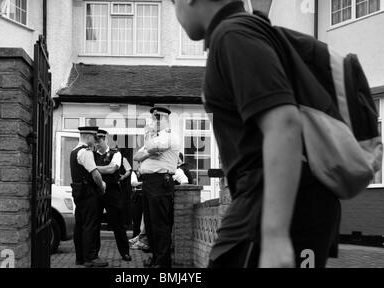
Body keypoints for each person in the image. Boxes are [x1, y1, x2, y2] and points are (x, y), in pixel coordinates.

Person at [172, 0, 340, 268]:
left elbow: (283, 124)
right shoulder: (245, 32)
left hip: (268, 207)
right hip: (296, 204)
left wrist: (275, 237)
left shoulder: (233, 35)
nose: (175, 11)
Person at [134, 107, 180, 268]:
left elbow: (153, 149)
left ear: (167, 119)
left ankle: (162, 263)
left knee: (160, 224)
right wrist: (148, 152)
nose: (155, 121)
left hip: (161, 182)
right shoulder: (154, 138)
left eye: (159, 118)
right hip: (149, 183)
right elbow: (136, 156)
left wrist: (148, 149)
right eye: (154, 118)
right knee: (150, 224)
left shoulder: (169, 136)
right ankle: (156, 258)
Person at [70, 126, 108, 268]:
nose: (96, 141)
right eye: (94, 137)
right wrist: (102, 186)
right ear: (88, 137)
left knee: (80, 226)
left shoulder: (74, 151)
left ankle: (80, 258)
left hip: (79, 193)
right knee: (90, 226)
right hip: (88, 193)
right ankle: (90, 258)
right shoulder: (86, 152)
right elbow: (95, 174)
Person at [94, 129, 132, 262]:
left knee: (118, 224)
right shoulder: (92, 154)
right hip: (96, 191)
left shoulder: (116, 153)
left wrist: (93, 168)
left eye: (98, 140)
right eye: (95, 141)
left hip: (112, 192)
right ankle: (94, 254)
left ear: (105, 139)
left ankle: (125, 252)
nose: (96, 143)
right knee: (94, 224)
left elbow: (112, 169)